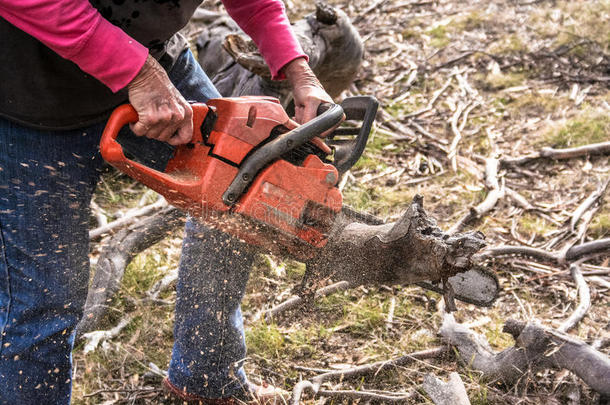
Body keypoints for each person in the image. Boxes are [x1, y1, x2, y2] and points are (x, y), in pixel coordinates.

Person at [0, 1, 334, 403]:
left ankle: (207, 375)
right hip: (27, 102)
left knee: (245, 200)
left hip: (158, 65)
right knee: (45, 300)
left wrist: (298, 70)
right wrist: (136, 72)